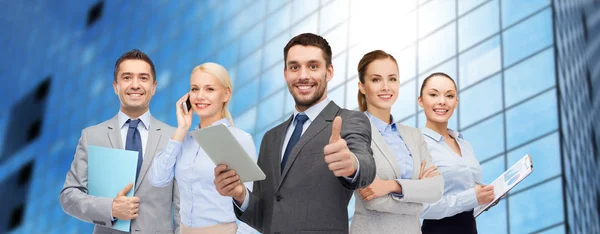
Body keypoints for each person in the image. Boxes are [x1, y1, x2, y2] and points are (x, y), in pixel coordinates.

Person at [213, 33, 376, 234]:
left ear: (329, 71)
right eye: (294, 67)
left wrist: (351, 164)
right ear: (285, 73)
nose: (303, 76)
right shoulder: (271, 138)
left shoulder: (349, 120)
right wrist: (239, 194)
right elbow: (264, 218)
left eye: (313, 66)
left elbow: (366, 167)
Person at [59, 49, 180, 234]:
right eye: (127, 78)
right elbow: (69, 196)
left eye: (143, 78)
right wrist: (111, 209)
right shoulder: (92, 136)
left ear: (154, 87)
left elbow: (183, 207)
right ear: (116, 86)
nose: (135, 85)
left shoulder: (174, 138)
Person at [149, 62, 257, 234]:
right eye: (194, 89)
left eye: (209, 89)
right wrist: (181, 129)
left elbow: (252, 207)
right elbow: (157, 178)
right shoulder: (183, 141)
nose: (200, 96)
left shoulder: (240, 139)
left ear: (226, 94)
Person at [350, 50, 444, 234]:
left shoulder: (414, 136)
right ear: (362, 86)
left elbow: (437, 188)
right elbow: (372, 199)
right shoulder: (355, 132)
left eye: (392, 79)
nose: (386, 87)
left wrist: (391, 186)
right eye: (376, 79)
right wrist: (419, 201)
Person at [418, 72, 495, 234]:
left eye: (449, 96)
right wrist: (472, 198)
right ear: (420, 101)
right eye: (433, 94)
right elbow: (421, 207)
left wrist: (484, 198)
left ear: (456, 102)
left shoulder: (464, 144)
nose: (442, 101)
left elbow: (466, 194)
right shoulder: (417, 144)